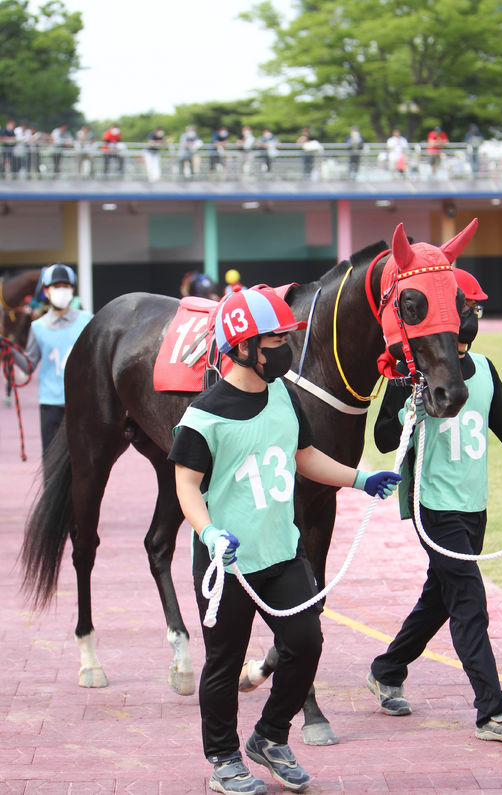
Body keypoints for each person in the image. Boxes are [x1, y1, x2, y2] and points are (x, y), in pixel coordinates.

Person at [169, 285, 401, 794]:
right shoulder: (203, 417)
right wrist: (208, 533)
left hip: (281, 552)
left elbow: (304, 457)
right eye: (276, 339)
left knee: (305, 643)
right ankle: (224, 759)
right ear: (245, 346)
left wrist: (361, 479)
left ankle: (270, 737)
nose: (286, 348)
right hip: (226, 564)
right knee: (224, 665)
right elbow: (186, 486)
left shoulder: (284, 395)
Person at [367, 268, 502, 743]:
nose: (467, 318)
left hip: (473, 507)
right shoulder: (410, 375)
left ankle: (387, 667)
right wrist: (408, 410)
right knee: (468, 602)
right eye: (462, 310)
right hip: (433, 507)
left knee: (440, 597)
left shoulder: (483, 370)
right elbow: (381, 438)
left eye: (472, 311)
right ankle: (493, 710)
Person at [10, 264, 93, 454]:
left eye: (65, 285)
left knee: (84, 461)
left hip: (82, 403)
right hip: (51, 406)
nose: (61, 290)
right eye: (56, 286)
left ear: (72, 289)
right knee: (51, 462)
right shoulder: (38, 327)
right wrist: (10, 351)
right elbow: (29, 365)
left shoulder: (87, 320)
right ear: (46, 291)